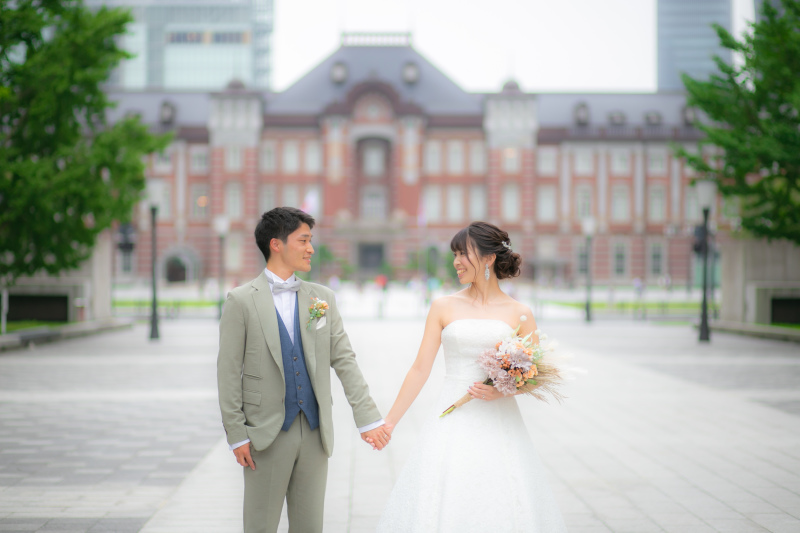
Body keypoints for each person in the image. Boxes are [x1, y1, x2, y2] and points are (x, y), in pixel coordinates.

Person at [375, 221, 567, 532]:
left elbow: (535, 375)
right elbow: (420, 368)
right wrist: (390, 421)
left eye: (463, 254)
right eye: (454, 255)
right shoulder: (443, 306)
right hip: (451, 418)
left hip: (499, 421)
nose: (456, 262)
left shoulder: (519, 313)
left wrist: (503, 390)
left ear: (489, 258)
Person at [217, 207, 391, 533]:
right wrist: (236, 434)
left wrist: (367, 417)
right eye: (304, 240)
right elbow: (228, 373)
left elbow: (344, 359)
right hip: (265, 434)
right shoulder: (240, 301)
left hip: (314, 432)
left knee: (310, 527)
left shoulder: (320, 298)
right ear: (276, 244)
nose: (311, 248)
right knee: (260, 526)